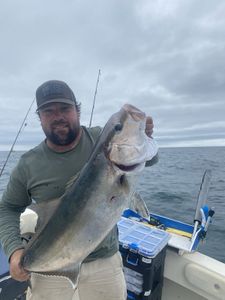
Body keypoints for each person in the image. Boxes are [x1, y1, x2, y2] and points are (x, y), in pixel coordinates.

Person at [0, 80, 158, 300]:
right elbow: (7, 207)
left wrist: (144, 135)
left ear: (77, 110)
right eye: (48, 111)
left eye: (65, 108)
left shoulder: (98, 139)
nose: (58, 116)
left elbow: (149, 159)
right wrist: (14, 251)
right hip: (48, 269)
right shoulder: (28, 164)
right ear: (40, 117)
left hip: (105, 264)